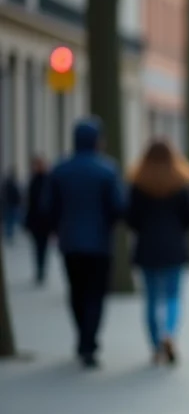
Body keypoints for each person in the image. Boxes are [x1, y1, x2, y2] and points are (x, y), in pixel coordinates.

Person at [43, 117, 124, 368]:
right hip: (99, 243)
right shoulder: (107, 169)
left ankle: (82, 337)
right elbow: (118, 206)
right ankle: (89, 340)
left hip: (70, 242)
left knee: (76, 292)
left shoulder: (61, 169)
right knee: (95, 294)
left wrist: (57, 228)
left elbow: (47, 207)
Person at [126, 138, 189, 365]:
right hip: (173, 247)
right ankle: (169, 333)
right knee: (173, 295)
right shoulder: (180, 183)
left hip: (147, 247)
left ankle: (156, 344)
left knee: (151, 297)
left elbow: (131, 218)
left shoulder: (139, 184)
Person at [23, 156, 52, 285]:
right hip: (36, 221)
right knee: (37, 247)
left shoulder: (48, 181)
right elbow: (29, 203)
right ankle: (39, 269)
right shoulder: (33, 181)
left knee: (43, 247)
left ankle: (42, 269)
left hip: (45, 222)